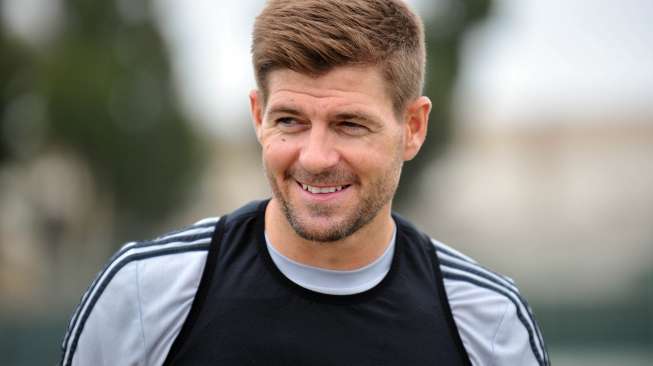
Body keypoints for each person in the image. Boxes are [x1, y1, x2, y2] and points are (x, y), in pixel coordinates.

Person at [60, 0, 549, 365]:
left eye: (350, 124)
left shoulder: (489, 324)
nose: (315, 158)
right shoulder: (144, 295)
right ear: (258, 116)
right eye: (290, 120)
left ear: (413, 128)